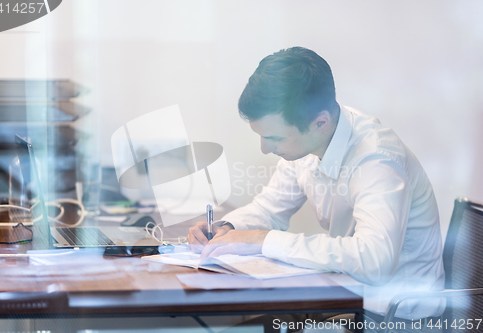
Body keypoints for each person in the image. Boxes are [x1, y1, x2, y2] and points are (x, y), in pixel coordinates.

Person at [187, 47, 445, 326]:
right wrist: (227, 228)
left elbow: (374, 262)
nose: (264, 149)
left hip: (394, 318)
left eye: (274, 138)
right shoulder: (309, 141)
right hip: (345, 298)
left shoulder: (376, 158)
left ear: (319, 122)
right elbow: (270, 208)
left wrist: (262, 240)